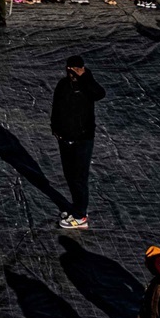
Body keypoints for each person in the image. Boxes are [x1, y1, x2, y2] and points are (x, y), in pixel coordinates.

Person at [51, 54, 105, 229]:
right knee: (69, 175)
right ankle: (77, 207)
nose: (71, 73)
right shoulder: (62, 85)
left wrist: (85, 76)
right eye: (69, 69)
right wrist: (55, 129)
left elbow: (99, 93)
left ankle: (81, 216)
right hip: (65, 138)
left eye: (75, 69)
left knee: (79, 177)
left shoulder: (88, 86)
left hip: (83, 139)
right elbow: (56, 107)